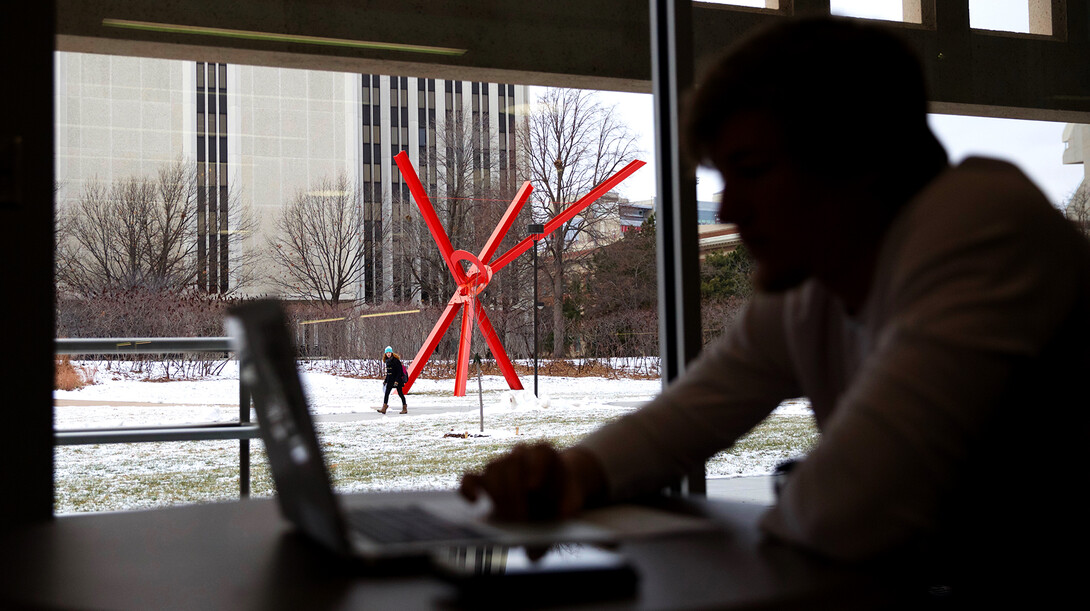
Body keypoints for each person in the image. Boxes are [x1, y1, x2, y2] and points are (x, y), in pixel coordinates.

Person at [460, 16, 1090, 603]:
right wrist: (569, 474)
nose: (730, 211)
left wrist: (805, 487)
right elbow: (678, 426)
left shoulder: (985, 228)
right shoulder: (814, 284)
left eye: (752, 170)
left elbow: (849, 512)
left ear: (856, 157)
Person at [377, 346, 407, 414]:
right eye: (387, 352)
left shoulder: (396, 361)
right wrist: (385, 381)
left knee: (400, 394)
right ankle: (384, 408)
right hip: (390, 380)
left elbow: (399, 372)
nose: (388, 354)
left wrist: (396, 381)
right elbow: (389, 373)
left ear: (392, 353)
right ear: (385, 354)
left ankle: (404, 408)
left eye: (389, 352)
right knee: (387, 393)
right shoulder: (387, 361)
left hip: (397, 380)